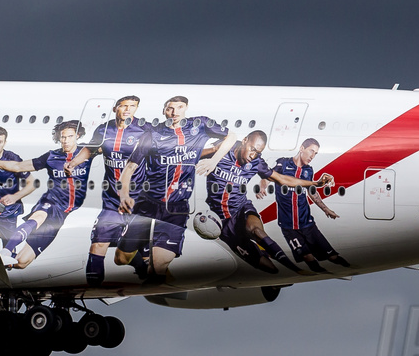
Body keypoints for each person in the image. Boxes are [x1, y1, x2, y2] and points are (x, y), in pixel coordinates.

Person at [118, 96, 233, 282]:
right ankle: (145, 264)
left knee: (159, 265)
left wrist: (214, 160)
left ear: (186, 109)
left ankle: (153, 268)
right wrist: (124, 195)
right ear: (164, 111)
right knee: (122, 258)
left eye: (180, 107)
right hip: (148, 204)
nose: (175, 112)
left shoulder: (199, 127)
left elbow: (232, 137)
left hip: (176, 209)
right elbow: (130, 167)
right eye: (171, 108)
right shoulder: (153, 134)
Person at [205, 131, 327, 273]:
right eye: (252, 149)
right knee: (270, 269)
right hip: (223, 220)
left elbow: (282, 179)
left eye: (258, 152)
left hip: (240, 207)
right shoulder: (222, 150)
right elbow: (190, 155)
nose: (253, 155)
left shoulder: (256, 162)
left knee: (256, 230)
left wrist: (313, 183)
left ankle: (294, 268)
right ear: (244, 140)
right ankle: (268, 255)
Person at [0, 120, 90, 269]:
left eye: (70, 136)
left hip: (65, 212)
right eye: (63, 137)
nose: (66, 140)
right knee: (38, 217)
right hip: (52, 201)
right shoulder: (51, 156)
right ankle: (6, 251)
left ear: (77, 136)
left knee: (22, 262)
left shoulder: (87, 152)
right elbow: (17, 166)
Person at [65, 96, 149, 288]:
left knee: (127, 253)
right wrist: (74, 162)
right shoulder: (104, 130)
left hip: (137, 199)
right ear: (115, 108)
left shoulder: (143, 132)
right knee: (98, 243)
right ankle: (93, 288)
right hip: (112, 199)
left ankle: (144, 271)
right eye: (124, 106)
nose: (127, 110)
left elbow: (134, 166)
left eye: (132, 107)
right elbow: (91, 149)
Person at [272, 138, 350, 271]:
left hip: (307, 223)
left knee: (333, 257)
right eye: (311, 151)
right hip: (288, 226)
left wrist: (326, 209)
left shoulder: (308, 170)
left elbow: (311, 192)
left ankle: (351, 268)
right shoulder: (283, 164)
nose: (312, 156)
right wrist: (263, 186)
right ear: (302, 148)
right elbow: (268, 176)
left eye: (315, 153)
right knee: (308, 258)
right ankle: (326, 274)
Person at [0, 127, 39, 247]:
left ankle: (8, 263)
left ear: (5, 143)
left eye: (0, 142)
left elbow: (32, 183)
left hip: (8, 213)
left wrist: (15, 197)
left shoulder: (12, 159)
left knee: (8, 247)